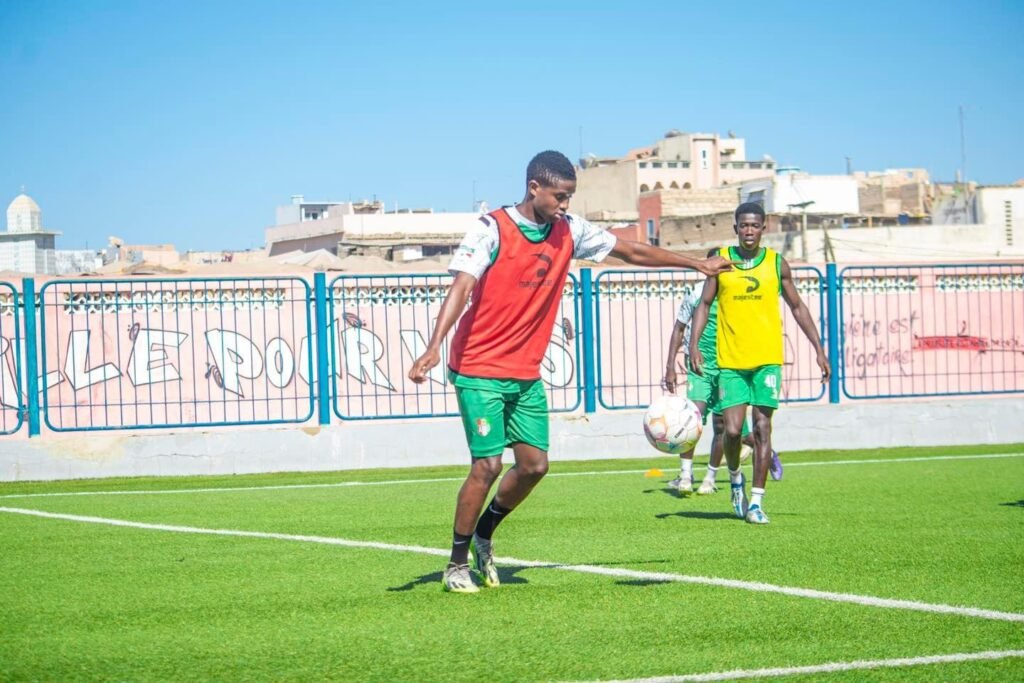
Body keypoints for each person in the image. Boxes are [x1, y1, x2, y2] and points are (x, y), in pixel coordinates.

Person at [408, 151, 734, 593]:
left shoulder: (570, 230)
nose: (565, 204)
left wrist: (696, 263)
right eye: (559, 196)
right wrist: (432, 347)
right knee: (486, 466)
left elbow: (631, 251)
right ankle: (456, 564)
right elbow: (462, 286)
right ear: (534, 188)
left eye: (570, 197)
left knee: (534, 466)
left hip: (524, 371)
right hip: (477, 366)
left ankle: (485, 533)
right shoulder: (491, 229)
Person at [689, 202, 829, 525]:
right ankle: (735, 477)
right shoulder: (722, 262)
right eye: (744, 225)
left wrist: (819, 350)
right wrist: (695, 345)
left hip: (767, 361)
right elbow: (704, 304)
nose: (749, 231)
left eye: (755, 225)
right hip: (731, 362)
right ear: (735, 227)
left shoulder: (777, 264)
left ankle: (756, 503)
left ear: (764, 228)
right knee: (734, 431)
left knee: (764, 428)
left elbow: (798, 307)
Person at [662, 262, 784, 497]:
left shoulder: (736, 293)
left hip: (729, 365)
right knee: (692, 418)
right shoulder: (696, 293)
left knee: (729, 429)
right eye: (712, 267)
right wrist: (671, 365)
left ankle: (713, 476)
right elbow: (679, 328)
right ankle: (686, 476)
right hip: (700, 365)